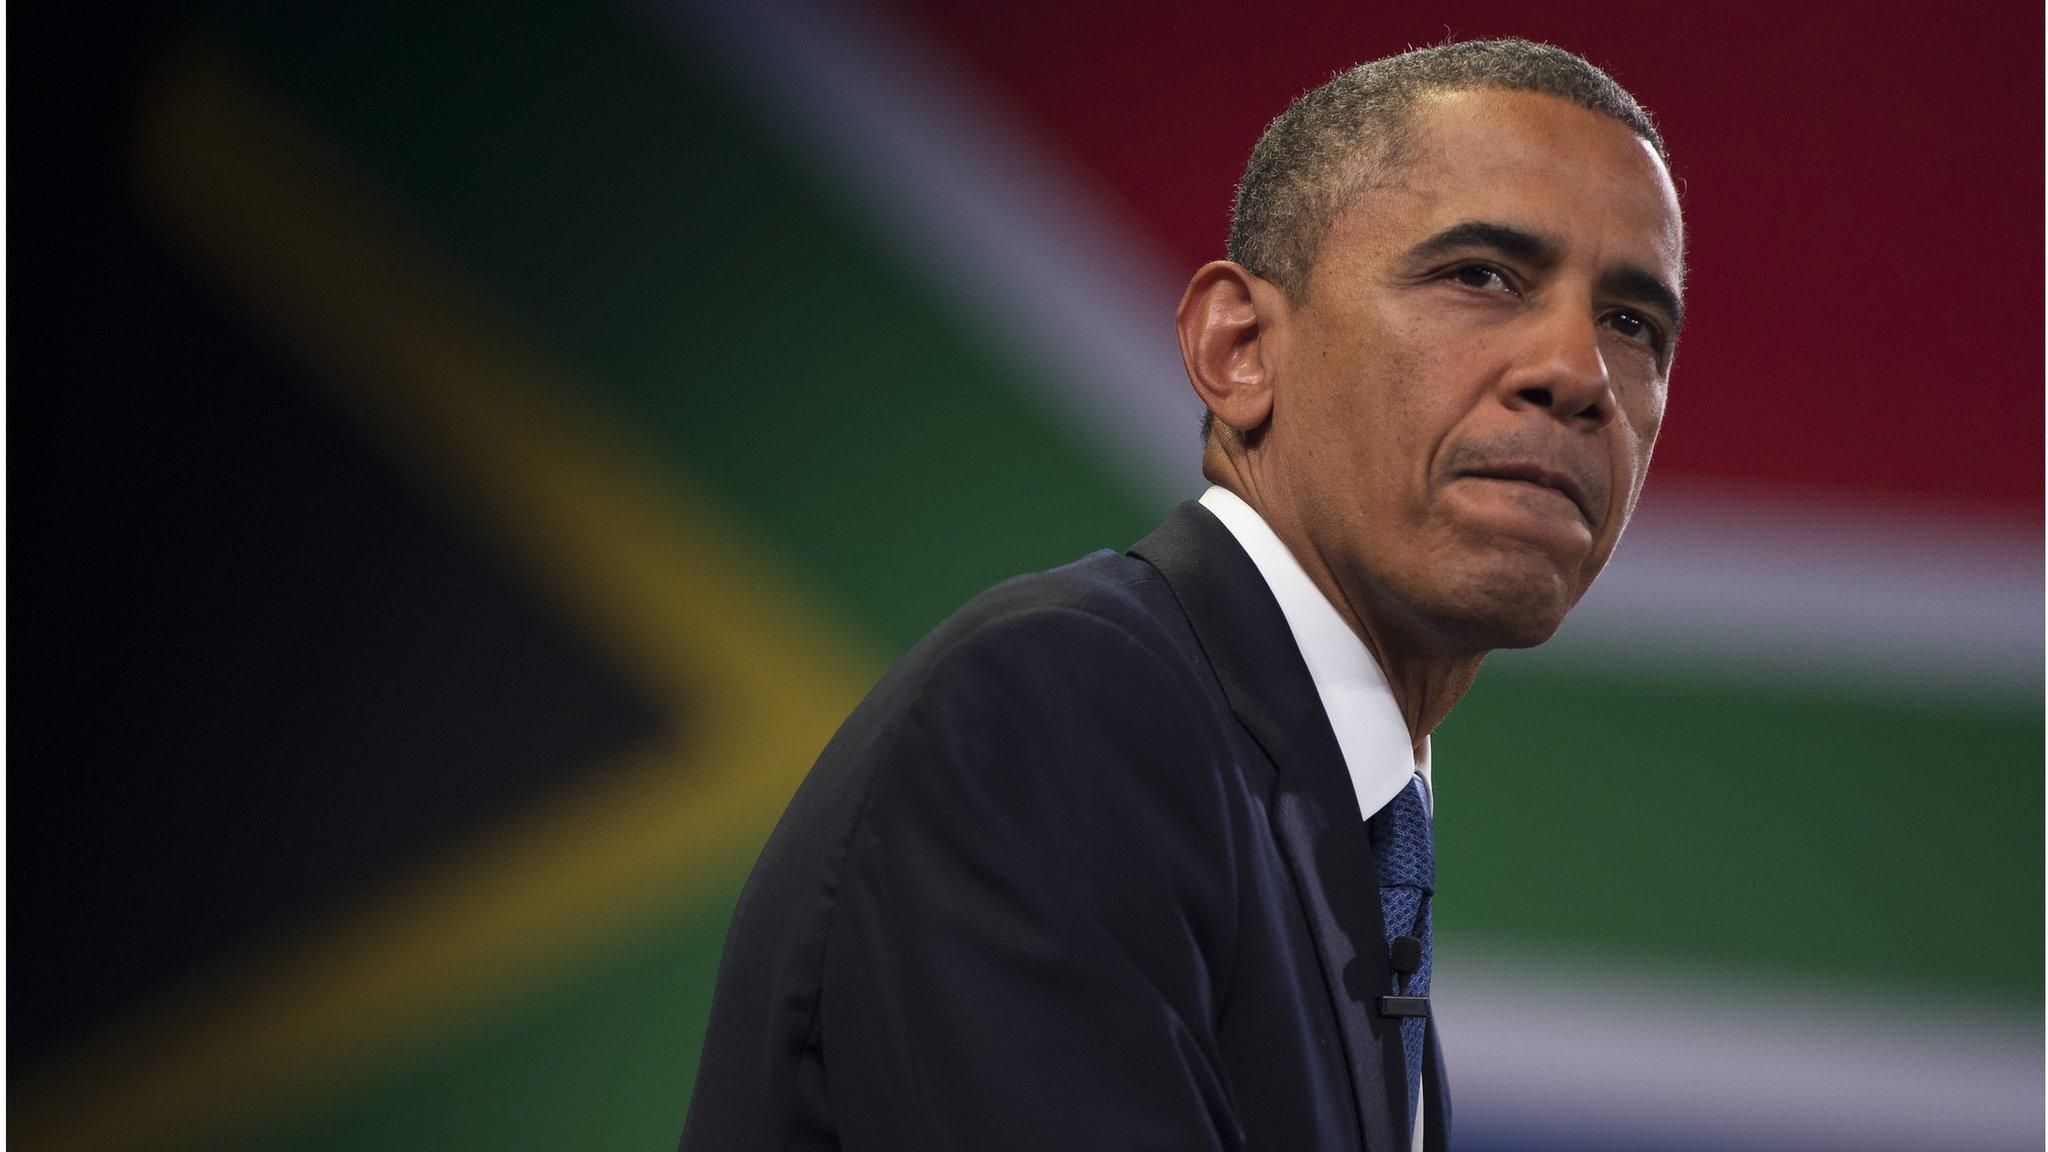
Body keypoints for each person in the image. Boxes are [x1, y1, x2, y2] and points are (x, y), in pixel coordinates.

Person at [679, 38, 1684, 1152]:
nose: (1578, 373)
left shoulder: (1337, 840)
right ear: (1238, 345)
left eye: (1631, 323)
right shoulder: (1061, 709)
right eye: (1479, 276)